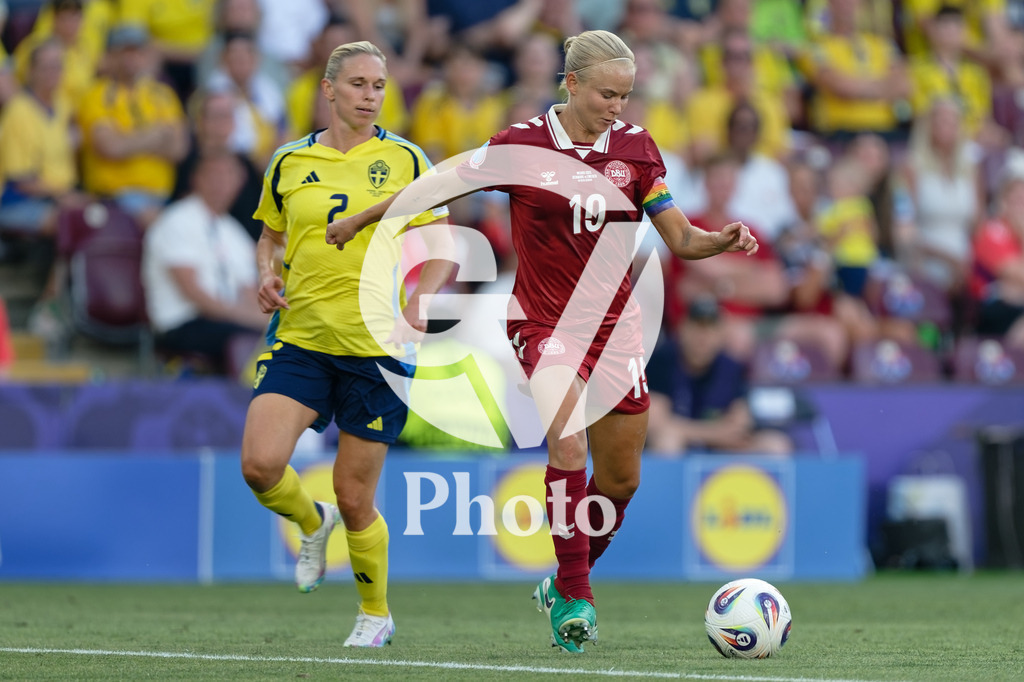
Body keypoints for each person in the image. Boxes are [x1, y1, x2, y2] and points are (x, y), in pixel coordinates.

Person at [325, 29, 758, 653]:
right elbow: (436, 186)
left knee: (621, 482)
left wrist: (721, 239)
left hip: (616, 329)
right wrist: (362, 218)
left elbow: (681, 237)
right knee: (567, 440)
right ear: (572, 83)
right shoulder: (522, 144)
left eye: (626, 95)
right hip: (544, 323)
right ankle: (577, 600)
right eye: (607, 93)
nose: (617, 106)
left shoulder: (636, 148)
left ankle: (561, 581)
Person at [239, 41, 452, 648]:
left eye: (379, 85)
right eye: (357, 83)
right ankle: (311, 523)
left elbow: (443, 247)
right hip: (302, 337)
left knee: (355, 494)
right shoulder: (287, 160)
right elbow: (270, 237)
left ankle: (374, 614)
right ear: (328, 89)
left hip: (376, 349)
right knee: (259, 466)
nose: (369, 95)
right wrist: (266, 273)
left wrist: (420, 300)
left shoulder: (407, 159)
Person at [142, 151, 267, 375]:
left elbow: (249, 293)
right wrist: (257, 322)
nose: (222, 182)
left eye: (229, 175)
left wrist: (268, 321)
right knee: (251, 336)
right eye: (215, 174)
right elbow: (196, 295)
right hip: (182, 324)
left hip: (223, 321)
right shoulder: (176, 221)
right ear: (196, 178)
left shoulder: (232, 231)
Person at [646, 296, 793, 456]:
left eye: (711, 328)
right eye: (697, 327)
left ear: (721, 334)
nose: (703, 337)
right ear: (683, 329)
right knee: (667, 440)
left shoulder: (731, 367)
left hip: (717, 448)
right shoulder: (662, 361)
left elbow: (739, 423)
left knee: (775, 445)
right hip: (683, 444)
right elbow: (655, 423)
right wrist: (715, 433)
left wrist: (723, 433)